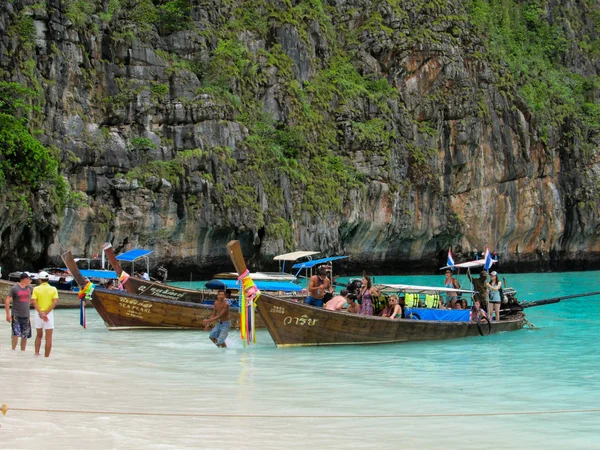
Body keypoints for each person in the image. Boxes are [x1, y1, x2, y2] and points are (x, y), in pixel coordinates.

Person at [31, 271, 59, 357]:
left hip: (38, 314)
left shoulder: (36, 289)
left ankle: (36, 353)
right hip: (49, 314)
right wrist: (46, 313)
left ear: (40, 280)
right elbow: (54, 303)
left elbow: (34, 302)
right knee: (48, 337)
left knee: (39, 335)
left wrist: (41, 313)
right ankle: (46, 357)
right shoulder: (53, 289)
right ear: (48, 279)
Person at [5, 273, 33, 351]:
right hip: (16, 315)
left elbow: (34, 299)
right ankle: (13, 350)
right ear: (24, 279)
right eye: (29, 279)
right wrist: (8, 314)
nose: (30, 280)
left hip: (26, 315)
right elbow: (7, 301)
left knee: (25, 335)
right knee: (16, 334)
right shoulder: (14, 288)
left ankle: (22, 352)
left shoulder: (30, 288)